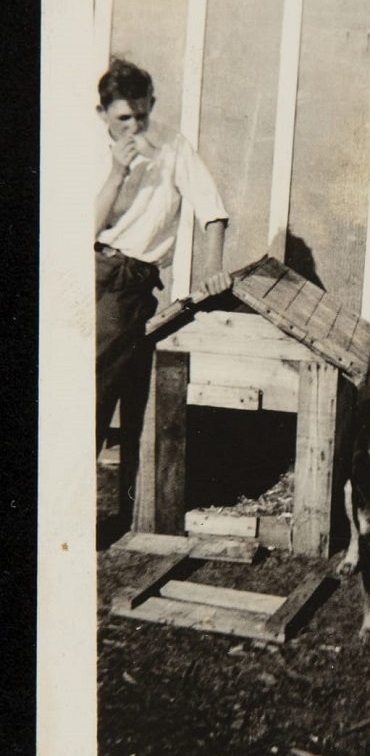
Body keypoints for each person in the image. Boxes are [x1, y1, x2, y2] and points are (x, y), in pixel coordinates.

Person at [94, 58, 232, 490]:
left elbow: (212, 210)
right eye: (122, 119)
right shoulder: (87, 146)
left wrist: (211, 269)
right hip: (82, 271)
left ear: (152, 104)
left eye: (142, 115)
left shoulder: (172, 146)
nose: (134, 127)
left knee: (93, 390)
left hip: (127, 283)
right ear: (102, 114)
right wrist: (117, 171)